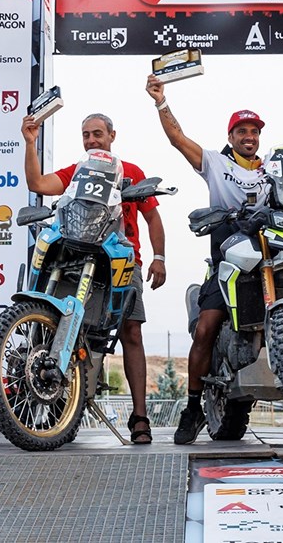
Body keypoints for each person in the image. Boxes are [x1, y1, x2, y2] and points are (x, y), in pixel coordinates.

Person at [145, 72, 283, 445]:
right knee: (206, 327)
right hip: (229, 258)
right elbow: (178, 139)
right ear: (230, 136)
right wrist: (161, 101)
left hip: (275, 253)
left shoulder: (272, 166)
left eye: (255, 131)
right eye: (242, 131)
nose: (250, 137)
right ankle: (193, 407)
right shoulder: (216, 163)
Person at [20, 111, 166, 445]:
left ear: (112, 135)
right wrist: (30, 143)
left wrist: (159, 257)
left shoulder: (131, 171)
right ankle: (59, 407)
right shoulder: (77, 172)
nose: (91, 140)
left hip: (121, 257)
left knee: (132, 331)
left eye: (98, 133)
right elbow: (38, 184)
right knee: (56, 323)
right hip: (77, 255)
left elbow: (153, 217)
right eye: (86, 134)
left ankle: (140, 417)